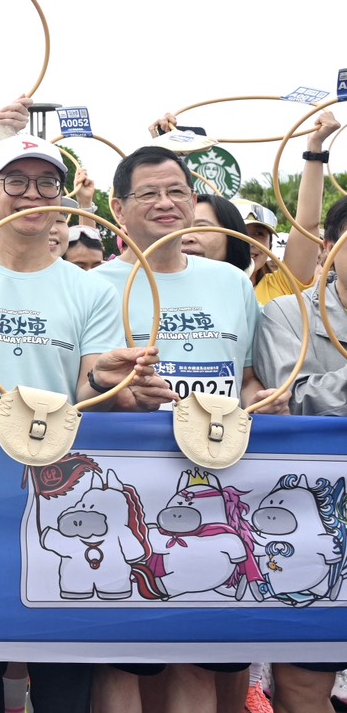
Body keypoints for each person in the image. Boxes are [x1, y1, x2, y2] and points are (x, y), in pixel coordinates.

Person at [0, 134, 171, 713]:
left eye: (45, 183)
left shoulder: (90, 290)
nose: (30, 194)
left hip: (61, 496)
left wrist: (111, 381)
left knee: (61, 671)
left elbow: (87, 389)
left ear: (61, 198)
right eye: (15, 181)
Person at [90, 146, 279, 712]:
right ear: (118, 209)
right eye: (149, 193)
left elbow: (245, 377)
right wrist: (120, 397)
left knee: (197, 653)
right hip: (123, 491)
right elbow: (83, 392)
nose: (167, 203)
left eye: (178, 190)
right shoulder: (92, 283)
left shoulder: (230, 283)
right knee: (125, 661)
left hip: (218, 484)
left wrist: (260, 400)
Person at [252, 197, 347, 711]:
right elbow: (295, 397)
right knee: (304, 686)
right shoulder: (286, 312)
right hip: (315, 520)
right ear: (329, 249)